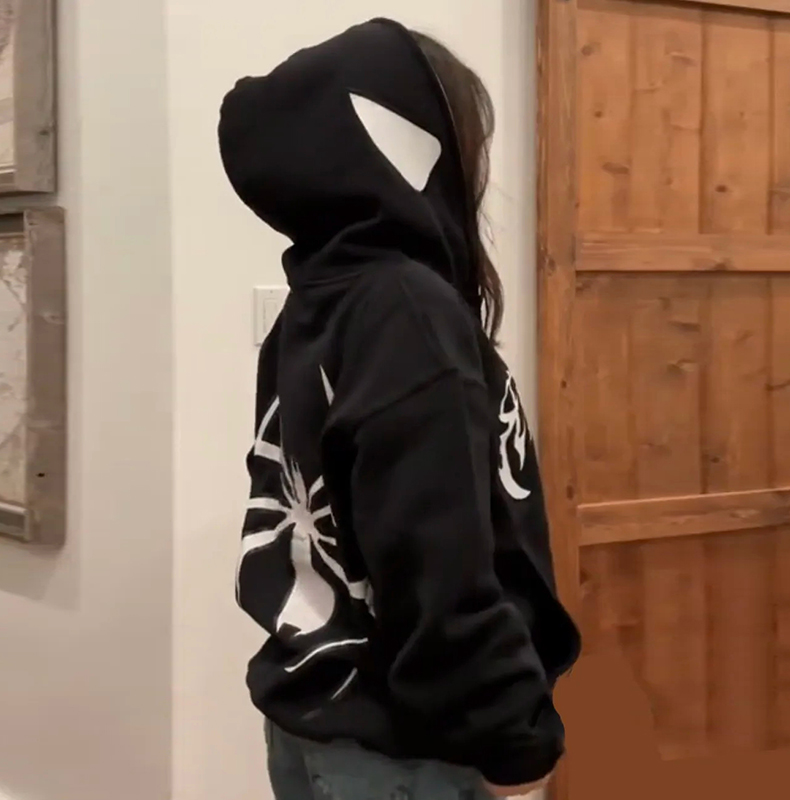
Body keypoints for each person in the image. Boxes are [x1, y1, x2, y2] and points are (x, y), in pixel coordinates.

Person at [218, 18, 581, 800]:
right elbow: (436, 566)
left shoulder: (321, 301)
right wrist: (516, 748)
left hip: (318, 721)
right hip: (410, 749)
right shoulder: (406, 308)